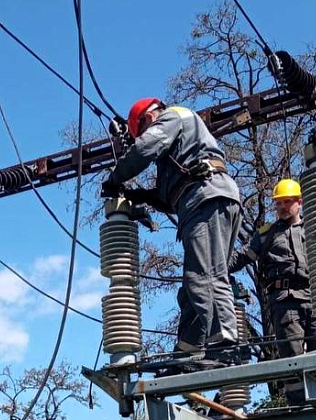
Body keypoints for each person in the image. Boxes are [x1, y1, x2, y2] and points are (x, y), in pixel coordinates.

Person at [102, 98, 242, 362]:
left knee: (206, 276)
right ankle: (188, 350)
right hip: (207, 198)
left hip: (205, 198)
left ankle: (224, 340)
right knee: (194, 282)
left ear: (148, 118)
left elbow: (144, 149)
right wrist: (141, 195)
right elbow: (169, 197)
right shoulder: (180, 151)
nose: (143, 136)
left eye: (141, 131)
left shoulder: (174, 117)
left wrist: (115, 178)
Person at [228, 179, 316, 405]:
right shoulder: (266, 235)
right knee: (293, 359)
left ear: (300, 202)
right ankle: (300, 408)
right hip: (285, 302)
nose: (281, 207)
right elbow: (242, 257)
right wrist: (215, 266)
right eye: (278, 203)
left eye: (287, 202)